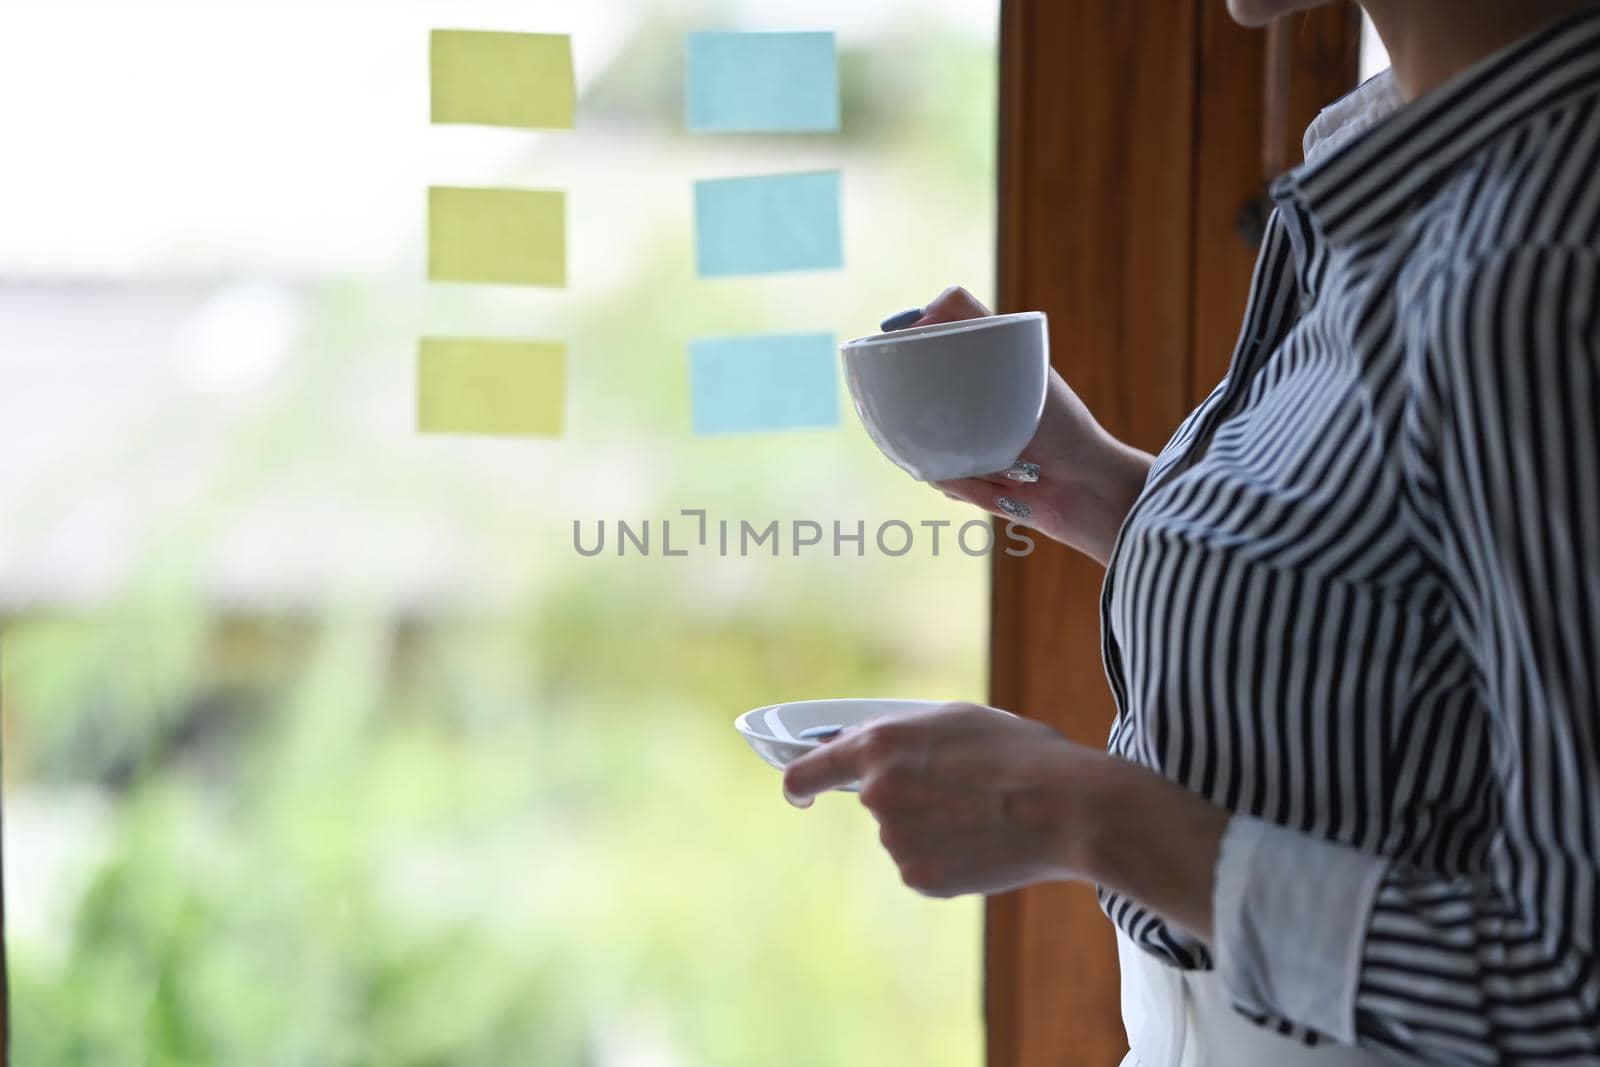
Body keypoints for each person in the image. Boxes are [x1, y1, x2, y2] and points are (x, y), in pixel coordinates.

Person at [782, 1, 1600, 1063]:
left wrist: (1075, 811)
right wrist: (1109, 492)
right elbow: (1412, 627)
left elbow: (1568, 981)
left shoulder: (1535, 265)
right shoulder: (1409, 160)